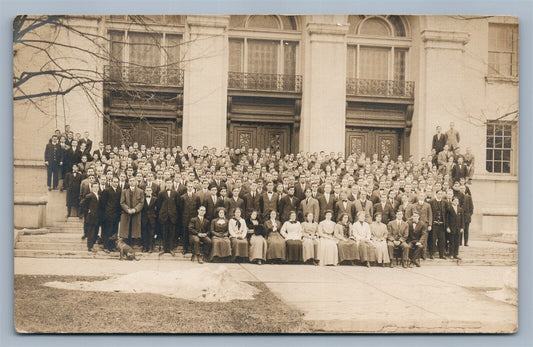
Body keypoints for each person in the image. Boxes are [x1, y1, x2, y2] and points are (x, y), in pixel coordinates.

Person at [119, 176, 144, 245]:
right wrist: (127, 209)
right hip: (126, 213)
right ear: (128, 182)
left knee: (134, 229)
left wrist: (135, 209)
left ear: (136, 182)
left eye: (133, 181)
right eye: (130, 181)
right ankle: (126, 243)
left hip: (136, 213)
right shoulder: (124, 191)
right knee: (126, 229)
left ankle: (133, 243)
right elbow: (122, 202)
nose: (132, 182)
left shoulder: (140, 191)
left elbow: (141, 202)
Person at [157, 179, 179, 255]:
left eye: (170, 183)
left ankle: (170, 249)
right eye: (167, 183)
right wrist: (162, 213)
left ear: (172, 184)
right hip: (164, 216)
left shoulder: (175, 193)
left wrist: (175, 214)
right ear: (165, 184)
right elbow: (159, 205)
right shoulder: (161, 193)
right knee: (164, 232)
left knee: (172, 233)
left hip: (172, 216)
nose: (169, 184)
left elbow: (178, 205)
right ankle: (164, 249)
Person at [100, 176, 122, 253]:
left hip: (116, 215)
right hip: (108, 215)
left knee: (114, 232)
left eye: (117, 182)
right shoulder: (107, 191)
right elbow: (103, 204)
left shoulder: (119, 191)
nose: (116, 183)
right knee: (107, 231)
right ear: (111, 182)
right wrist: (105, 214)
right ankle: (105, 246)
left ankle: (112, 247)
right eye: (114, 182)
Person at [179, 181, 201, 254]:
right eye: (188, 186)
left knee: (192, 233)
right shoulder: (183, 197)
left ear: (193, 187)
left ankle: (192, 249)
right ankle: (185, 248)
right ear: (186, 187)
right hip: (185, 218)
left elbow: (198, 208)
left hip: (193, 219)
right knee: (185, 233)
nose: (190, 188)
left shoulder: (197, 197)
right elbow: (181, 209)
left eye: (191, 186)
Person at [79, 182, 102, 252]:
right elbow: (82, 204)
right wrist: (87, 210)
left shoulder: (99, 196)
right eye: (94, 187)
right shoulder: (89, 195)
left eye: (97, 187)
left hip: (97, 217)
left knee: (95, 232)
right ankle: (90, 247)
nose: (96, 188)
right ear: (92, 188)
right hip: (91, 217)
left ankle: (92, 245)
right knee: (90, 233)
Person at [429, 190, 447, 259]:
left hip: (441, 224)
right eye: (438, 194)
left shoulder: (444, 202)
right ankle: (432, 254)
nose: (440, 195)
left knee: (442, 240)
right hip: (434, 224)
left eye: (441, 194)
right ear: (436, 194)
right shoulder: (431, 202)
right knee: (433, 239)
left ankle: (441, 255)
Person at [141, 186, 158, 253]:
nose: (148, 192)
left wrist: (154, 217)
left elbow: (157, 209)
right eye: (147, 190)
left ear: (152, 191)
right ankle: (145, 247)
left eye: (149, 190)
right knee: (144, 233)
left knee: (151, 233)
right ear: (145, 192)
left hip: (152, 219)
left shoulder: (155, 199)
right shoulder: (142, 199)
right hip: (144, 218)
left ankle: (151, 247)